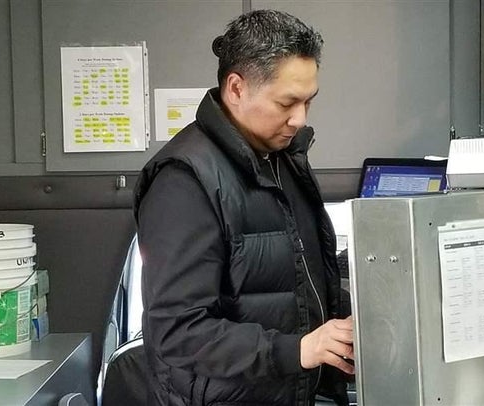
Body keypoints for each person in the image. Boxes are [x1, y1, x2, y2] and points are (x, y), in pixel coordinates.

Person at [133, 9, 353, 406]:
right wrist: (295, 350)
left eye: (308, 102)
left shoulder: (282, 157)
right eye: (287, 102)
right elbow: (177, 331)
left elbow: (293, 278)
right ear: (236, 88)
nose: (300, 119)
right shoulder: (184, 182)